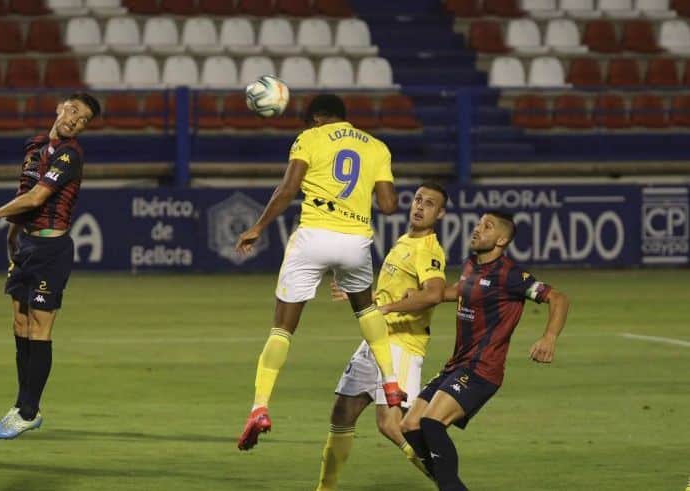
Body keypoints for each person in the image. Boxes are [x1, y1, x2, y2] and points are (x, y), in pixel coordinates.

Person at [235, 94, 402, 451]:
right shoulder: (377, 146)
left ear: (316, 119)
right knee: (367, 310)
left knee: (282, 327)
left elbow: (288, 189)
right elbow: (389, 206)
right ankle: (390, 382)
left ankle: (259, 407)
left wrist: (258, 227)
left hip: (314, 235)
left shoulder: (309, 138)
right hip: (356, 241)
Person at [393, 211, 571, 491]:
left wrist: (549, 337)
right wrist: (420, 296)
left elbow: (558, 298)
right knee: (410, 425)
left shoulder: (511, 274)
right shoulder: (471, 266)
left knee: (431, 423)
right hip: (458, 364)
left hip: (482, 369)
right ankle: (451, 484)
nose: (477, 229)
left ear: (501, 239)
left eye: (487, 227)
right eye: (478, 224)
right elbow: (458, 291)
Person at [0, 92, 101, 439]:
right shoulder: (34, 147)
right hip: (26, 245)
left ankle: (28, 410)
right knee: (20, 323)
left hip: (51, 250)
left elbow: (39, 197)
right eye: (71, 110)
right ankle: (24, 404)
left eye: (82, 119)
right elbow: (25, 190)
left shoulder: (70, 155)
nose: (74, 119)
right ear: (58, 108)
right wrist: (13, 233)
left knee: (39, 327)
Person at [316, 182, 449, 490]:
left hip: (401, 345)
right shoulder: (404, 240)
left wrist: (386, 308)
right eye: (418, 199)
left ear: (440, 214)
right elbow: (390, 294)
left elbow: (433, 294)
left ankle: (446, 481)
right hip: (376, 340)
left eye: (429, 204)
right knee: (341, 412)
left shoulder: (429, 250)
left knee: (394, 425)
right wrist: (365, 296)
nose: (419, 206)